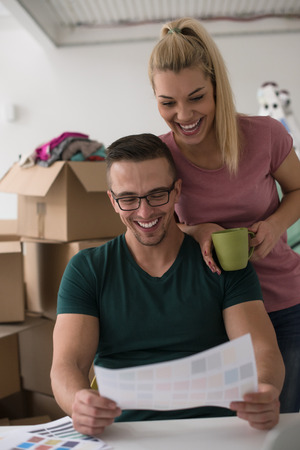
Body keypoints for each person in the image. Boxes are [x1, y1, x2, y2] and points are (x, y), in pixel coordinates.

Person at [51, 133, 284, 436]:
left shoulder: (221, 261)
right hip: (124, 433)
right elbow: (67, 365)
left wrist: (265, 391)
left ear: (177, 191)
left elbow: (262, 350)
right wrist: (78, 402)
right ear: (112, 200)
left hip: (218, 430)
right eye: (128, 198)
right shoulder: (88, 270)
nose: (144, 212)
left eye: (157, 194)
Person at [148, 17, 300, 413]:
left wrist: (275, 224)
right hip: (206, 312)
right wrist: (195, 230)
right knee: (221, 429)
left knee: (282, 423)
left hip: (283, 305)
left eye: (196, 97)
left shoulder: (266, 135)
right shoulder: (160, 156)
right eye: (167, 102)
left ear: (217, 88)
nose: (183, 114)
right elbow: (154, 227)